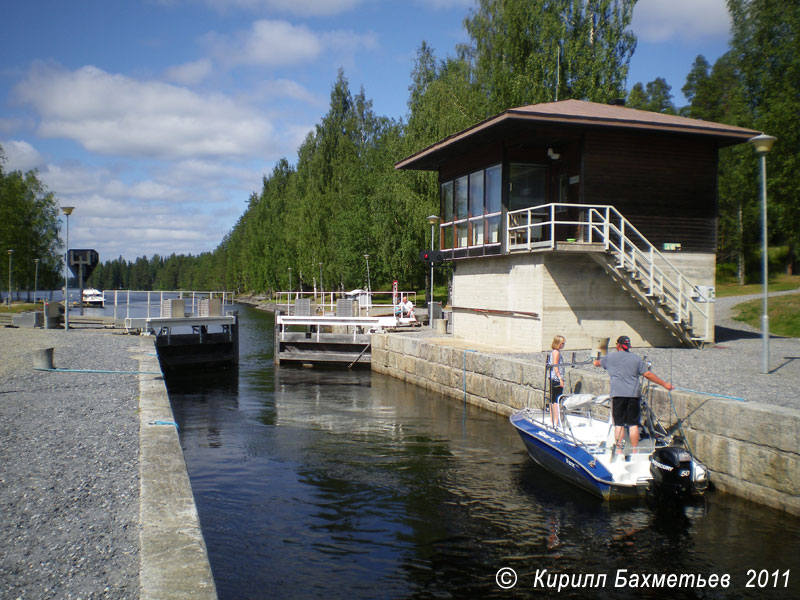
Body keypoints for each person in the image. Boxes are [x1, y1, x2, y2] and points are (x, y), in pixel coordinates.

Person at [593, 335, 674, 457]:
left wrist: (595, 359)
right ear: (628, 346)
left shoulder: (609, 358)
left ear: (617, 345)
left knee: (619, 424)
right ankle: (635, 451)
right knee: (633, 425)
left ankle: (619, 451)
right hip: (634, 396)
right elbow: (647, 374)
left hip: (618, 395)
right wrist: (665, 384)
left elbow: (597, 363)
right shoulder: (636, 359)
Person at [548, 335, 566, 426]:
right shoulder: (557, 353)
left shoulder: (553, 352)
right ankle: (556, 420)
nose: (563, 345)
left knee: (552, 399)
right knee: (556, 400)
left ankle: (552, 419)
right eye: (562, 343)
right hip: (556, 378)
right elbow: (555, 367)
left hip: (552, 377)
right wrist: (560, 379)